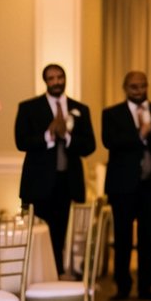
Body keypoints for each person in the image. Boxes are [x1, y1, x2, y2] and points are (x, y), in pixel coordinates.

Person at [102, 70, 151, 300]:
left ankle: (147, 286)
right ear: (125, 88)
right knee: (123, 236)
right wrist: (139, 134)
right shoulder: (112, 113)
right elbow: (109, 142)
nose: (139, 90)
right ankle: (122, 286)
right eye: (134, 87)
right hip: (122, 185)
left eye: (143, 86)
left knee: (149, 236)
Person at [14, 63, 96, 273]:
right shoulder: (29, 108)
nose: (56, 81)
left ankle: (56, 277)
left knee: (59, 237)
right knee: (38, 235)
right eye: (51, 78)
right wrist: (49, 135)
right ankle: (36, 277)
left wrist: (66, 137)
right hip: (39, 183)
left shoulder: (80, 109)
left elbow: (89, 146)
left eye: (60, 77)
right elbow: (21, 142)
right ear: (45, 81)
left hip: (67, 183)